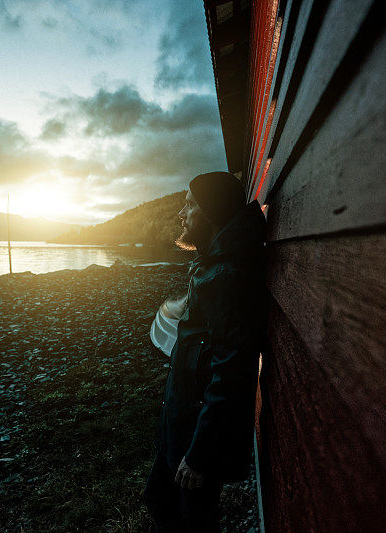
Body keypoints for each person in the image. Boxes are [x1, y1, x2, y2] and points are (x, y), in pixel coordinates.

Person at [144, 171, 267, 532]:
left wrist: (200, 454)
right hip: (181, 419)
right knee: (159, 502)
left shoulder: (228, 276)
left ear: (211, 212)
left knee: (192, 521)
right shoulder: (211, 265)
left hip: (197, 432)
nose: (182, 214)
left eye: (190, 205)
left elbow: (233, 371)